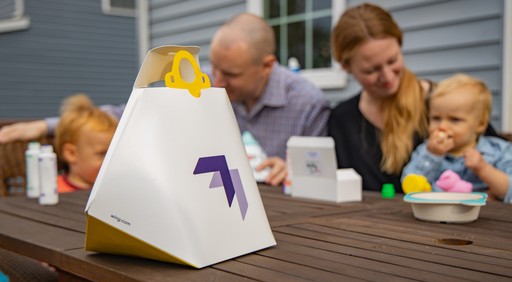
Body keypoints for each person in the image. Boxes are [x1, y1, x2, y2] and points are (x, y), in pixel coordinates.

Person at [0, 13, 330, 187]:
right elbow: (126, 111)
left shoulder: (307, 102)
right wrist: (43, 125)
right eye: (214, 67)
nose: (216, 81)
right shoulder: (200, 83)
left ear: (267, 65)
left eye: (230, 74)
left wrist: (292, 170)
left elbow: (318, 176)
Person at [328, 3, 499, 193]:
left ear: (400, 45)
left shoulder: (445, 105)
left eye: (392, 61)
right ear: (346, 67)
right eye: (371, 70)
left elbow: (499, 164)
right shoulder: (342, 120)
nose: (387, 77)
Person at [402, 74, 512, 203]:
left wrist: (483, 169)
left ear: (480, 124)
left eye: (454, 120)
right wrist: (432, 156)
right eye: (436, 118)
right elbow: (409, 184)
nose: (442, 126)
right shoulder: (426, 151)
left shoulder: (498, 151)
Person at [54, 94, 118, 192]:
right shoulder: (52, 191)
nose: (110, 163)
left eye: (113, 154)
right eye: (102, 154)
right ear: (71, 154)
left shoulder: (114, 189)